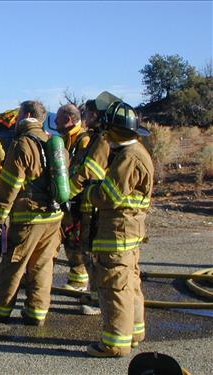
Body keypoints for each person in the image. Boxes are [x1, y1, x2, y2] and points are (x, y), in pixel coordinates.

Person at [85, 101, 153, 357]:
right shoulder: (137, 152)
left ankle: (115, 343)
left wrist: (90, 191)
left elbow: (108, 196)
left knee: (115, 286)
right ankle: (134, 332)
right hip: (130, 231)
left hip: (117, 232)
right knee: (130, 283)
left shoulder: (128, 157)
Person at [0, 100, 64, 326]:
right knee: (42, 264)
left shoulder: (22, 144)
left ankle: (1, 309)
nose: (17, 118)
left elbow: (10, 184)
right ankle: (36, 312)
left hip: (29, 216)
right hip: (54, 216)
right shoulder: (54, 142)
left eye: (19, 114)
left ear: (28, 114)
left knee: (15, 262)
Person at [68, 99, 111, 315]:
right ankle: (94, 295)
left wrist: (65, 192)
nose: (86, 116)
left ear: (98, 115)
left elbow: (88, 172)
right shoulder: (94, 138)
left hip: (95, 206)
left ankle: (97, 301)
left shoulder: (103, 141)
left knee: (94, 253)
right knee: (86, 250)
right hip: (88, 203)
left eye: (89, 113)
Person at [55, 104, 91, 292]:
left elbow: (82, 173)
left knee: (77, 242)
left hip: (80, 200)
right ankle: (76, 279)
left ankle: (79, 283)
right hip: (69, 200)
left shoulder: (83, 141)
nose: (55, 122)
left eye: (58, 118)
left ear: (69, 119)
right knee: (70, 240)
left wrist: (68, 194)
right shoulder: (65, 140)